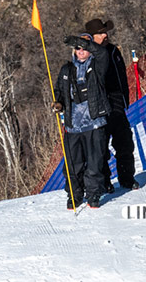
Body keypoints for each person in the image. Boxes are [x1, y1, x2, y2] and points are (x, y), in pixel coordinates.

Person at [54, 34, 113, 208]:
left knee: (94, 163)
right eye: (78, 48)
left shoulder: (98, 65)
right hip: (73, 125)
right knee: (72, 166)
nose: (81, 51)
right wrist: (58, 102)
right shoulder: (67, 69)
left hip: (94, 122)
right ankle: (74, 195)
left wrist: (85, 43)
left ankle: (93, 194)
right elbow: (59, 90)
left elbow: (102, 53)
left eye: (84, 48)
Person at [85, 17, 138, 194]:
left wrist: (124, 98)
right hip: (98, 105)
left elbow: (122, 76)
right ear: (92, 37)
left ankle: (127, 178)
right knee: (101, 147)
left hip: (116, 102)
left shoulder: (114, 51)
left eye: (105, 31)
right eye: (100, 33)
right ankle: (105, 182)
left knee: (124, 142)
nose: (105, 35)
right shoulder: (87, 55)